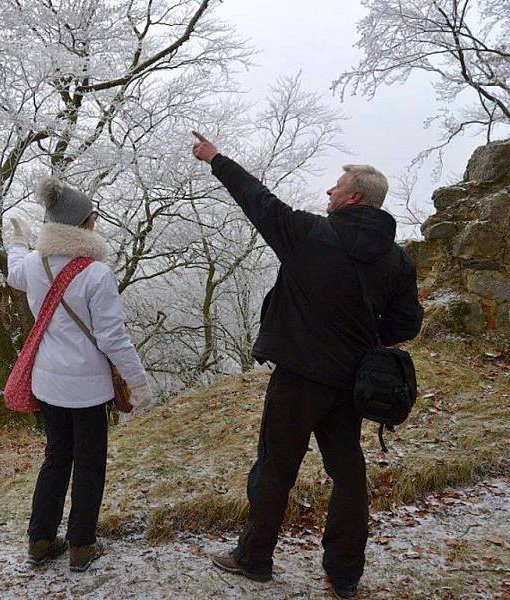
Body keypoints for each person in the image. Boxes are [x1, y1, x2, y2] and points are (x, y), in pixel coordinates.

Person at [191, 132, 423, 599]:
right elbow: (406, 323)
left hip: (297, 377)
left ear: (354, 197)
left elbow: (256, 199)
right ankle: (345, 574)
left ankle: (254, 558)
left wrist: (216, 158)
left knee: (275, 468)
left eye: (336, 188)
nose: (328, 194)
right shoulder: (396, 259)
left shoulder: (310, 234)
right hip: (350, 383)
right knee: (349, 474)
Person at [5, 177, 152, 572]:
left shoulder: (35, 265)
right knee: (89, 465)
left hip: (48, 383)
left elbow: (15, 270)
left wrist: (16, 241)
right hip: (88, 390)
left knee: (56, 459)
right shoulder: (95, 274)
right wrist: (137, 381)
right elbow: (113, 338)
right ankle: (82, 547)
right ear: (84, 224)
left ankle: (40, 540)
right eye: (93, 217)